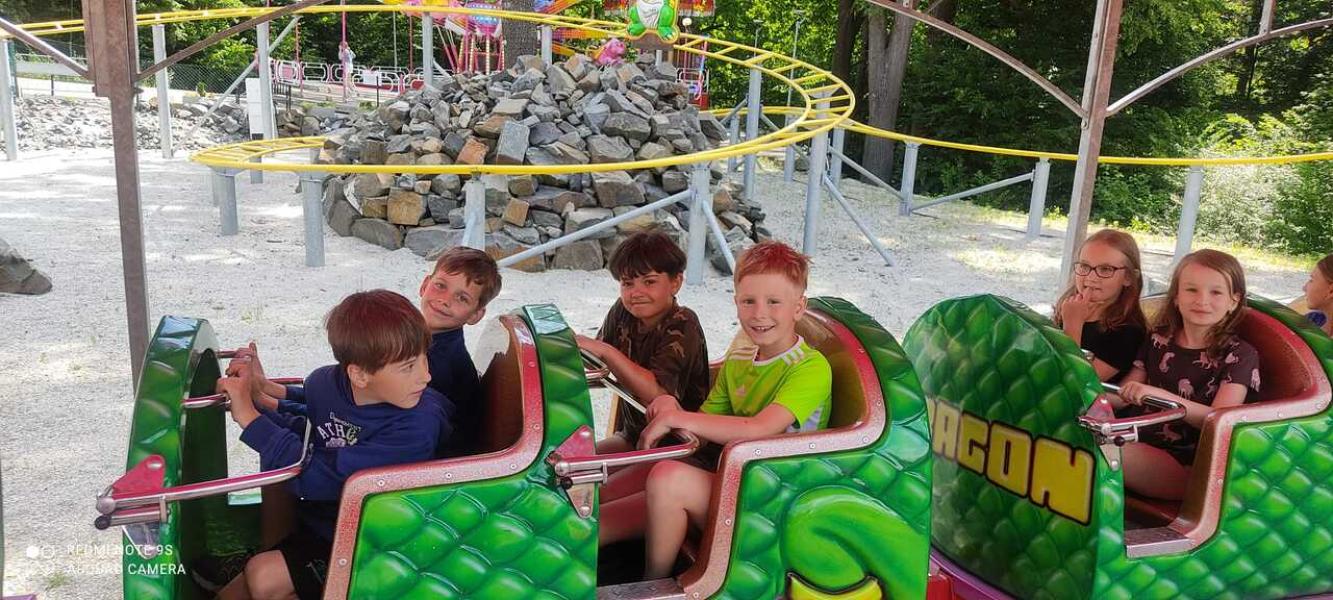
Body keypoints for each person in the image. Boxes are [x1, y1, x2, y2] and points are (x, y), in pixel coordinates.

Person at [216, 290, 453, 600]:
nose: (426, 376)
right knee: (233, 592)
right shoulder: (327, 382)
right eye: (409, 366)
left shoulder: (415, 428)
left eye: (424, 357)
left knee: (263, 576)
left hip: (384, 543)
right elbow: (313, 422)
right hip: (329, 521)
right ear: (359, 375)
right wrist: (261, 396)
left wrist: (249, 417)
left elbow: (315, 476)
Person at [633, 240, 832, 579]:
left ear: (799, 307)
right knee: (639, 470)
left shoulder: (810, 368)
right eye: (748, 301)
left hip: (778, 496)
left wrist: (678, 418)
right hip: (738, 480)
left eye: (774, 302)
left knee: (668, 479)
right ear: (736, 302)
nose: (759, 314)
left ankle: (653, 585)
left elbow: (760, 428)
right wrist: (670, 406)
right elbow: (705, 425)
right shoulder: (740, 358)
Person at [241, 247, 501, 456]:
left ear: (476, 315)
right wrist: (272, 393)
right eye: (441, 286)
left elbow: (360, 417)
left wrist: (267, 408)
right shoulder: (408, 339)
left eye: (462, 298)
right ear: (424, 285)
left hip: (423, 462)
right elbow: (351, 393)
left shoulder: (437, 367)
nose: (445, 300)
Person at [1113, 250, 1260, 501]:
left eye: (1216, 292)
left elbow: (1219, 421)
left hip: (1189, 465)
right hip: (1135, 437)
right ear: (1176, 297)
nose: (1202, 300)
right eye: (1191, 290)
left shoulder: (1240, 355)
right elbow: (1123, 394)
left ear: (1234, 301)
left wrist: (1160, 396)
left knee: (1107, 451)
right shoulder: (1159, 339)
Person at [576, 230, 710, 455]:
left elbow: (658, 393)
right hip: (633, 435)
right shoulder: (622, 311)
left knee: (596, 477)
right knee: (573, 466)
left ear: (675, 283)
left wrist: (606, 351)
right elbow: (596, 362)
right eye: (627, 283)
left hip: (677, 446)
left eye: (649, 282)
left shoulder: (683, 322)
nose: (636, 293)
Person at [1053, 229, 1149, 381]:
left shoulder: (1129, 332)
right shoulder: (1069, 307)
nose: (1091, 277)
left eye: (1105, 269)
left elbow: (1077, 381)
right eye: (1084, 266)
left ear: (1129, 277)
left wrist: (1072, 324)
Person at [1301, 253, 1332, 335]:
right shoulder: (1313, 319)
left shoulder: (1310, 324)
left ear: (1331, 291)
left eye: (1311, 280)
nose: (1304, 288)